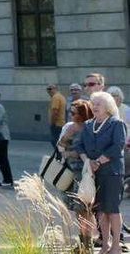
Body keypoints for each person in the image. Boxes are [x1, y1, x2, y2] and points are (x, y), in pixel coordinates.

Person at [81, 91, 126, 254]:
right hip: (94, 174)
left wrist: (98, 161)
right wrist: (88, 161)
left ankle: (116, 245)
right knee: (100, 210)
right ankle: (105, 243)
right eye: (93, 103)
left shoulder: (116, 123)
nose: (94, 107)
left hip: (112, 172)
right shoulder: (87, 125)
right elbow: (79, 146)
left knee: (112, 209)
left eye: (98, 104)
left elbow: (118, 146)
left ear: (108, 106)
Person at [58, 99, 96, 249]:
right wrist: (66, 138)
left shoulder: (90, 127)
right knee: (78, 209)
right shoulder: (70, 127)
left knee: (86, 208)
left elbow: (90, 150)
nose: (70, 115)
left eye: (73, 112)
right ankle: (83, 241)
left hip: (85, 173)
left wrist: (73, 153)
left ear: (82, 114)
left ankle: (88, 242)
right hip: (72, 172)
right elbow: (60, 147)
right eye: (70, 112)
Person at [47, 84, 67, 149]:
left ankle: (60, 157)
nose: (48, 91)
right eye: (47, 89)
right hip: (61, 123)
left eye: (50, 89)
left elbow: (55, 112)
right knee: (59, 141)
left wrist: (52, 123)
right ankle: (61, 156)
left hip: (57, 124)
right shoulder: (61, 97)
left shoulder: (55, 97)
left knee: (55, 141)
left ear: (56, 89)